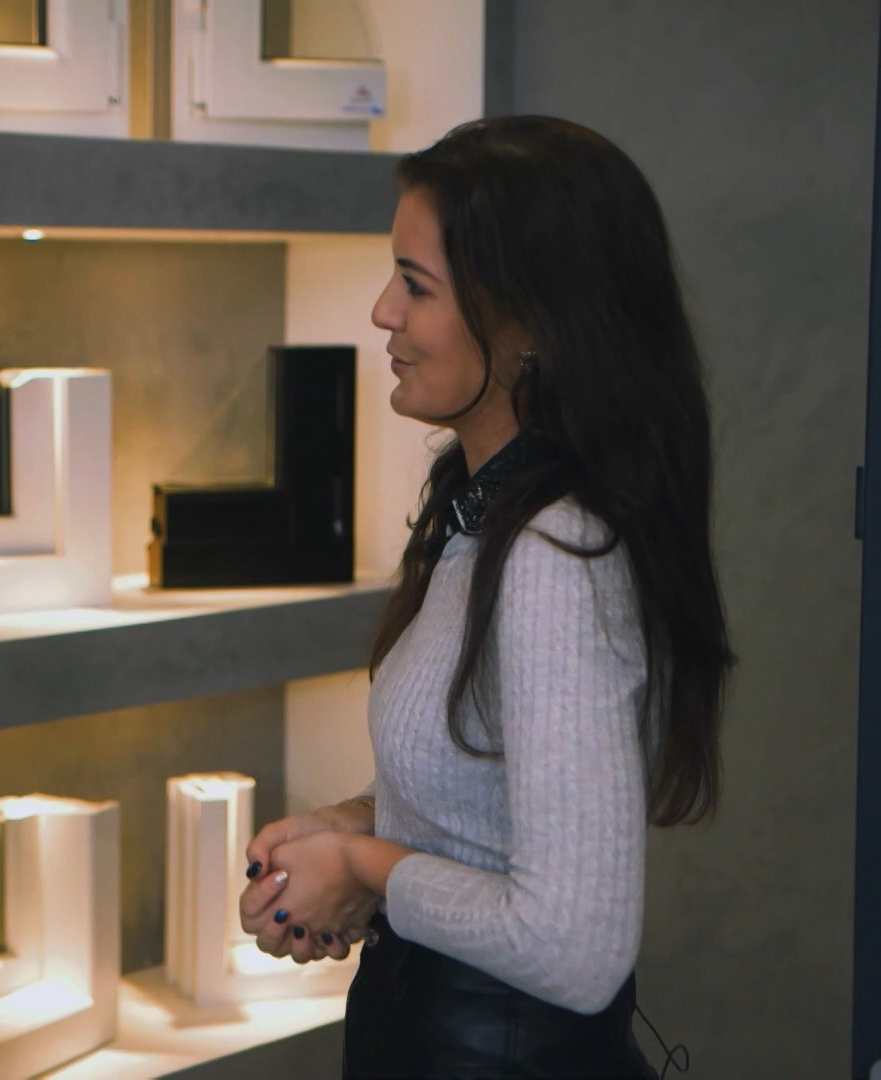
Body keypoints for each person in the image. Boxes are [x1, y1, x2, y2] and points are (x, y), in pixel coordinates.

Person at [238, 115, 733, 1079]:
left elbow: (574, 947)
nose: (382, 311)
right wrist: (358, 826)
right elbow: (489, 802)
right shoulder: (485, 521)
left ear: (531, 325)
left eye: (416, 286)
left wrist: (366, 869)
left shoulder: (554, 557)